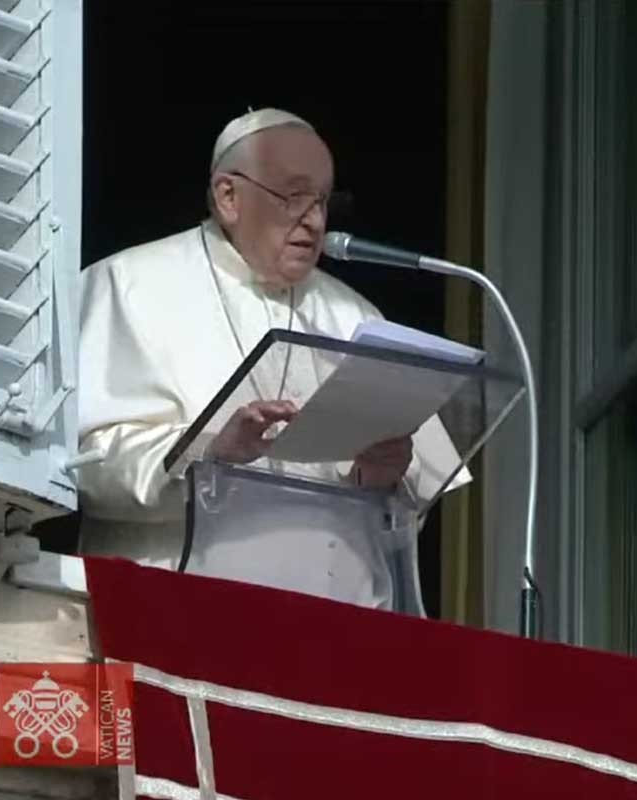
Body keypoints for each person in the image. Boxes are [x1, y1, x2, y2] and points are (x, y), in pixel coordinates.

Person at [76, 108, 463, 609]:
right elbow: (84, 467)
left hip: (337, 631)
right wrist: (210, 454)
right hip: (176, 617)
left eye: (324, 200)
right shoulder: (127, 284)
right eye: (294, 196)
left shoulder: (356, 317)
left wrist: (378, 478)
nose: (316, 220)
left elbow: (413, 509)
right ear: (228, 196)